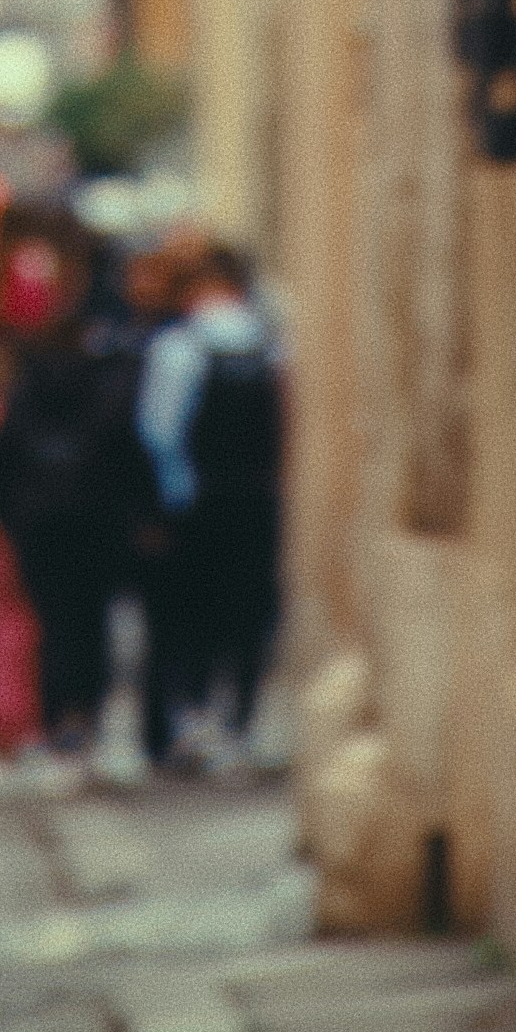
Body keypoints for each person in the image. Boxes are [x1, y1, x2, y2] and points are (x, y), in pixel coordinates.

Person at [0, 221, 142, 767]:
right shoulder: (106, 382)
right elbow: (126, 452)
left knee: (49, 621)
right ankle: (85, 719)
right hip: (93, 518)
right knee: (90, 621)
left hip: (40, 521)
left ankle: (55, 723)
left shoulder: (25, 383)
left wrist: (9, 516)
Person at [136, 241, 283, 767]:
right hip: (260, 501)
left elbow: (158, 431)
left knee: (192, 615)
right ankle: (239, 720)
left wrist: (173, 496)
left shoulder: (179, 348)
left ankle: (193, 716)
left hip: (199, 505)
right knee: (249, 615)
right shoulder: (273, 343)